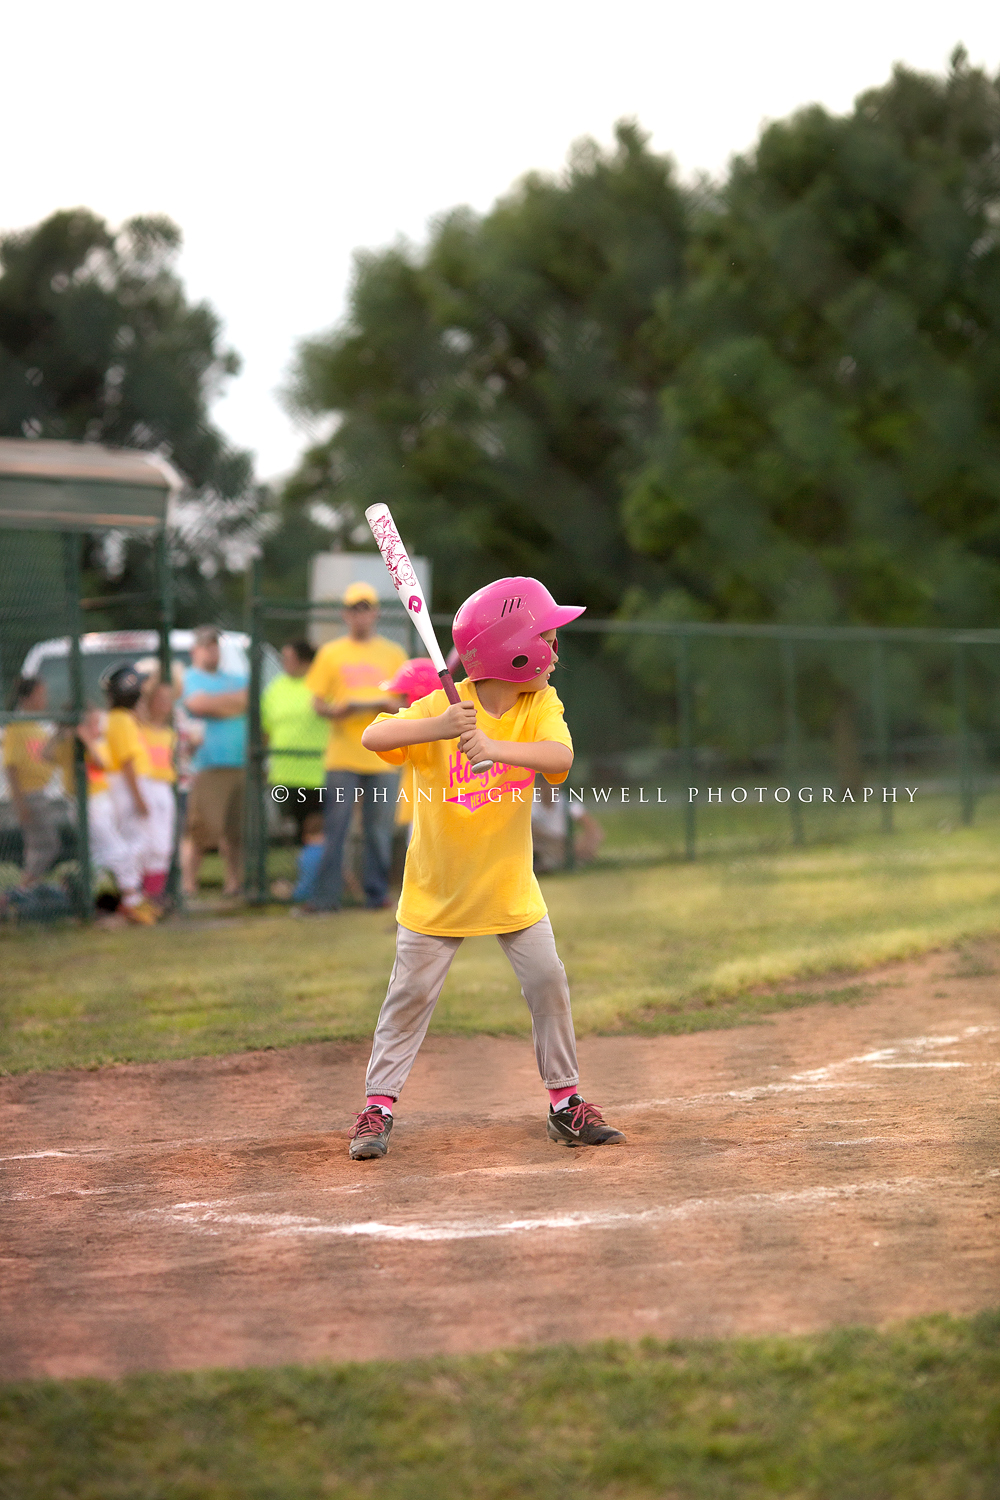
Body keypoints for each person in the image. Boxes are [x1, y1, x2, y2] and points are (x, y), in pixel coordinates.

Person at [347, 575, 626, 1161]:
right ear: (513, 650)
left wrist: (493, 748)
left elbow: (561, 758)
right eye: (547, 637)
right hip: (437, 894)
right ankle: (377, 1107)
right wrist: (438, 727)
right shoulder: (444, 705)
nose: (555, 650)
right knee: (409, 999)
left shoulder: (538, 704)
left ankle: (564, 1103)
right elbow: (374, 735)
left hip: (509, 889)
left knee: (548, 983)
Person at [302, 582, 407, 912]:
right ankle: (326, 898)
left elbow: (405, 701)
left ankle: (376, 895)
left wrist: (386, 705)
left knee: (378, 832)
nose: (360, 615)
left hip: (383, 757)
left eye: (366, 608)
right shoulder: (331, 653)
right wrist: (339, 710)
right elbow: (317, 703)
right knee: (337, 830)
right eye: (354, 609)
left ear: (375, 612)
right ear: (345, 614)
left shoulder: (394, 653)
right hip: (343, 756)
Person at [180, 626, 248, 898]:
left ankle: (235, 884)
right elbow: (197, 705)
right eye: (206, 646)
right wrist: (230, 705)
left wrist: (217, 704)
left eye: (215, 645)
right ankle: (187, 885)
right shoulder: (189, 678)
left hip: (241, 764)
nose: (212, 650)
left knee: (236, 833)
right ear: (194, 650)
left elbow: (246, 702)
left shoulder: (236, 678)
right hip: (209, 766)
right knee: (203, 829)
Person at [99, 664, 161, 925]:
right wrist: (139, 799)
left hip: (126, 785)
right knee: (138, 842)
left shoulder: (119, 718)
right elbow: (126, 763)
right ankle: (130, 897)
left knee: (137, 842)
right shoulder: (121, 719)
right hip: (127, 786)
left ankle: (132, 896)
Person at [260, 640, 327, 842]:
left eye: (289, 658)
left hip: (318, 774)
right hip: (284, 773)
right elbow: (266, 729)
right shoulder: (275, 688)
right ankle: (301, 872)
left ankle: (316, 872)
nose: (284, 663)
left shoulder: (322, 685)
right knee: (294, 831)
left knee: (315, 828)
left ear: (305, 661)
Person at [2, 677, 60, 889]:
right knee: (47, 845)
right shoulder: (18, 725)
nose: (44, 699)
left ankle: (30, 891)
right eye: (40, 694)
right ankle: (23, 888)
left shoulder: (37, 724)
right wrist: (20, 803)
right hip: (29, 794)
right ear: (27, 697)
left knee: (37, 846)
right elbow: (11, 767)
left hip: (42, 792)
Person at [380, 657, 443, 850]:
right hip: (422, 808)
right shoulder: (435, 725)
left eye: (400, 696)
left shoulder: (421, 731)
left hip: (432, 812)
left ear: (416, 698)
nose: (393, 703)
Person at [135, 672, 179, 904]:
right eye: (159, 699)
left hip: (164, 788)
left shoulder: (169, 732)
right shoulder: (139, 729)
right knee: (146, 843)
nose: (165, 705)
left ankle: (154, 895)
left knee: (163, 846)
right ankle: (138, 895)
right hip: (144, 786)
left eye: (168, 699)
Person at [531, 777, 605, 872]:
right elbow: (532, 829)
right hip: (544, 843)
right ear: (541, 785)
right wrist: (558, 841)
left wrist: (587, 842)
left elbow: (591, 826)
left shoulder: (566, 801)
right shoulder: (532, 802)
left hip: (563, 845)